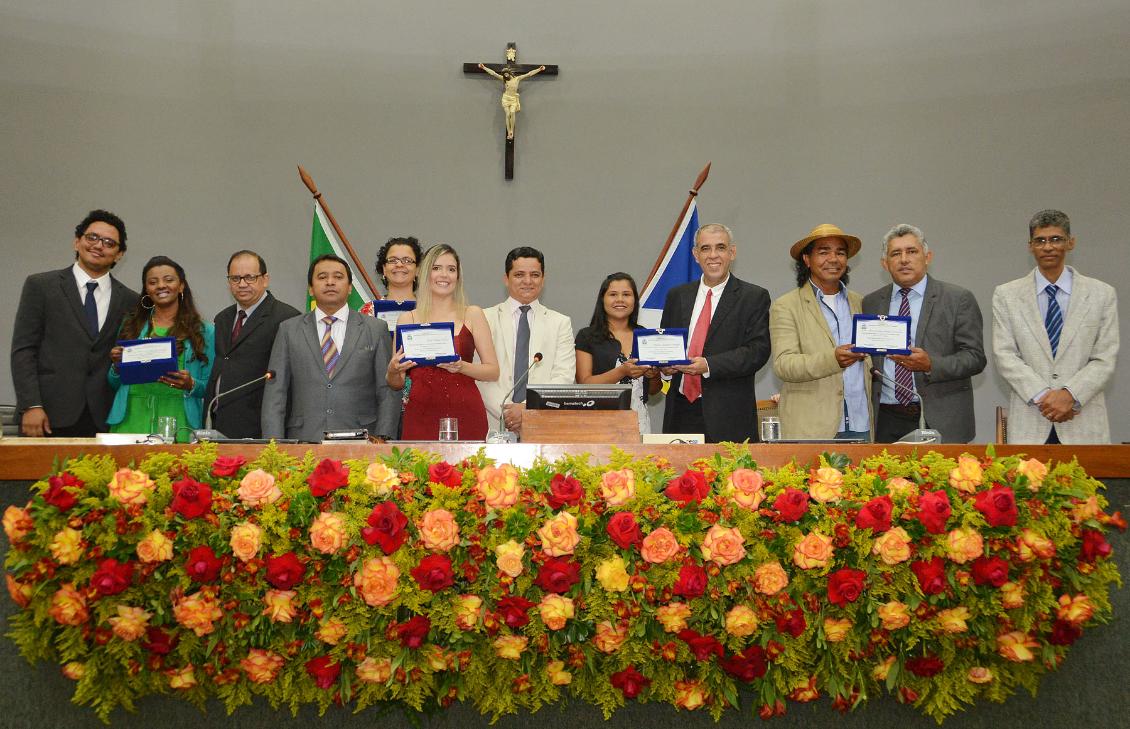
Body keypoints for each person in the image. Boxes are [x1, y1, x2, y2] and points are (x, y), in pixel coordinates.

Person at [992, 209, 1119, 444]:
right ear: (1030, 246)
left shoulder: (1102, 294)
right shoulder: (1006, 295)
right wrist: (1046, 397)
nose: (1048, 247)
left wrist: (1070, 395)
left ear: (1071, 243)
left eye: (1056, 239)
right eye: (1040, 240)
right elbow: (1005, 355)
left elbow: (1105, 357)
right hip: (1031, 421)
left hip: (1083, 422)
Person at [11, 210, 138, 437]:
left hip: (105, 418)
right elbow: (24, 350)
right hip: (46, 415)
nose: (99, 246)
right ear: (77, 241)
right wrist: (31, 405)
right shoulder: (41, 286)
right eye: (92, 238)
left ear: (119, 254)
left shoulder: (131, 300)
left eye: (109, 242)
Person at [862, 225, 986, 443]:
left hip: (941, 418)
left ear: (927, 257)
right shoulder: (871, 302)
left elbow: (975, 358)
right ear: (885, 263)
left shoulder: (958, 299)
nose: (904, 259)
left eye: (911, 251)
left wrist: (930, 365)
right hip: (886, 419)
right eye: (895, 253)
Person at [261, 254, 400, 442]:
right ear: (311, 289)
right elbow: (275, 394)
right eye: (322, 277)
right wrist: (273, 445)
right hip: (304, 440)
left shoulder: (375, 329)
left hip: (362, 442)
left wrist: (384, 437)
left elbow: (387, 390)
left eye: (338, 277)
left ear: (349, 287)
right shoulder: (289, 330)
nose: (330, 282)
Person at [659, 223, 772, 443]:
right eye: (705, 248)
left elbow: (757, 351)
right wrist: (665, 367)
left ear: (732, 252)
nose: (713, 256)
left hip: (729, 416)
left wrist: (709, 365)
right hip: (680, 412)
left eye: (720, 247)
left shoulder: (753, 297)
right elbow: (666, 343)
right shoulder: (677, 296)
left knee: (729, 478)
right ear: (695, 254)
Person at [770, 224, 871, 440]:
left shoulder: (862, 303)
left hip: (862, 422)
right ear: (807, 259)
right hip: (811, 427)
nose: (833, 259)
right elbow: (784, 364)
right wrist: (833, 359)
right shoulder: (786, 305)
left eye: (840, 253)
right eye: (824, 252)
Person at [386, 244, 498, 440]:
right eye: (436, 268)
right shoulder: (406, 319)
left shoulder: (472, 314)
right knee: (417, 471)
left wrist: (461, 366)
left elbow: (492, 371)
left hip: (466, 413)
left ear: (458, 277)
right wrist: (393, 371)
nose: (444, 275)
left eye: (451, 269)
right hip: (420, 415)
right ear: (423, 273)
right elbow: (397, 383)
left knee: (469, 471)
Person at [107, 257, 214, 442]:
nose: (161, 286)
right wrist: (116, 366)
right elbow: (114, 383)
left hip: (178, 418)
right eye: (153, 282)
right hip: (131, 418)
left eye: (169, 280)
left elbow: (210, 386)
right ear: (146, 290)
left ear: (181, 286)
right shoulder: (131, 325)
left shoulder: (204, 331)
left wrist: (191, 384)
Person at [478, 246, 576, 435]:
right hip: (493, 424)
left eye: (535, 275)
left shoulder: (560, 322)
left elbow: (563, 377)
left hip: (542, 424)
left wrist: (527, 410)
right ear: (506, 279)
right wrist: (509, 413)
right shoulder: (484, 318)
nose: (528, 281)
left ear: (543, 279)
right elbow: (479, 376)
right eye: (519, 275)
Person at [205, 250, 301, 438]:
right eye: (235, 278)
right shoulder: (223, 318)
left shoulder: (287, 318)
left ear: (265, 279)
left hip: (259, 428)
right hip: (218, 424)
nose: (242, 284)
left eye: (249, 277)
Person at [575, 273, 662, 433]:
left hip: (639, 422)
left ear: (634, 300)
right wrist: (622, 371)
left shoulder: (646, 335)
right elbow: (584, 385)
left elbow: (654, 390)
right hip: (598, 423)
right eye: (613, 294)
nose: (620, 300)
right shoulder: (586, 336)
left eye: (627, 295)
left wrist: (653, 375)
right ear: (603, 299)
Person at [476, 62, 546, 139]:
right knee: (507, 114)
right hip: (506, 98)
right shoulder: (504, 79)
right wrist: (484, 67)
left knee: (512, 113)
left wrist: (539, 69)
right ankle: (509, 131)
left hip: (513, 99)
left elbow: (529, 74)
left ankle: (511, 131)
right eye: (504, 74)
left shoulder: (517, 79)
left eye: (506, 74)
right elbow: (494, 74)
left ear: (509, 73)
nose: (506, 75)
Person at [359, 236, 421, 314]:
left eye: (407, 260)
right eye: (392, 260)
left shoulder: (431, 310)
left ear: (417, 270)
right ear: (384, 269)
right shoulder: (368, 311)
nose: (399, 264)